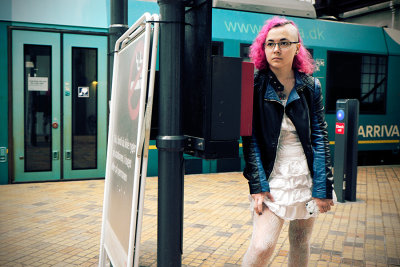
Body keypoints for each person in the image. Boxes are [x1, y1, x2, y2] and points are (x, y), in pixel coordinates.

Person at [241, 16, 334, 267]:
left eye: (283, 43)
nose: (276, 49)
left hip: (305, 174)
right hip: (272, 176)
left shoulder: (311, 86)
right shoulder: (252, 84)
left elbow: (319, 136)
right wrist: (257, 184)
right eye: (270, 43)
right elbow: (250, 140)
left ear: (297, 47)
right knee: (263, 245)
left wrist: (322, 187)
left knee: (301, 242)